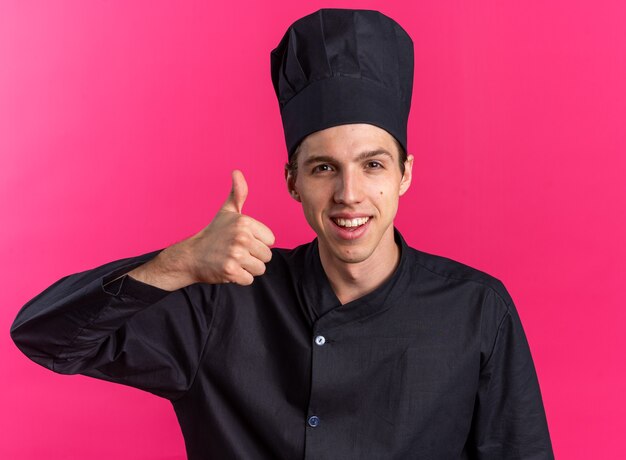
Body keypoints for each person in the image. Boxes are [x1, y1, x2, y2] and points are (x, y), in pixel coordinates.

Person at [10, 8, 554, 459]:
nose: (348, 195)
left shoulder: (477, 311)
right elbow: (43, 336)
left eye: (372, 165)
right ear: (292, 181)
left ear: (405, 173)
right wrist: (178, 263)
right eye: (323, 168)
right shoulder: (223, 302)